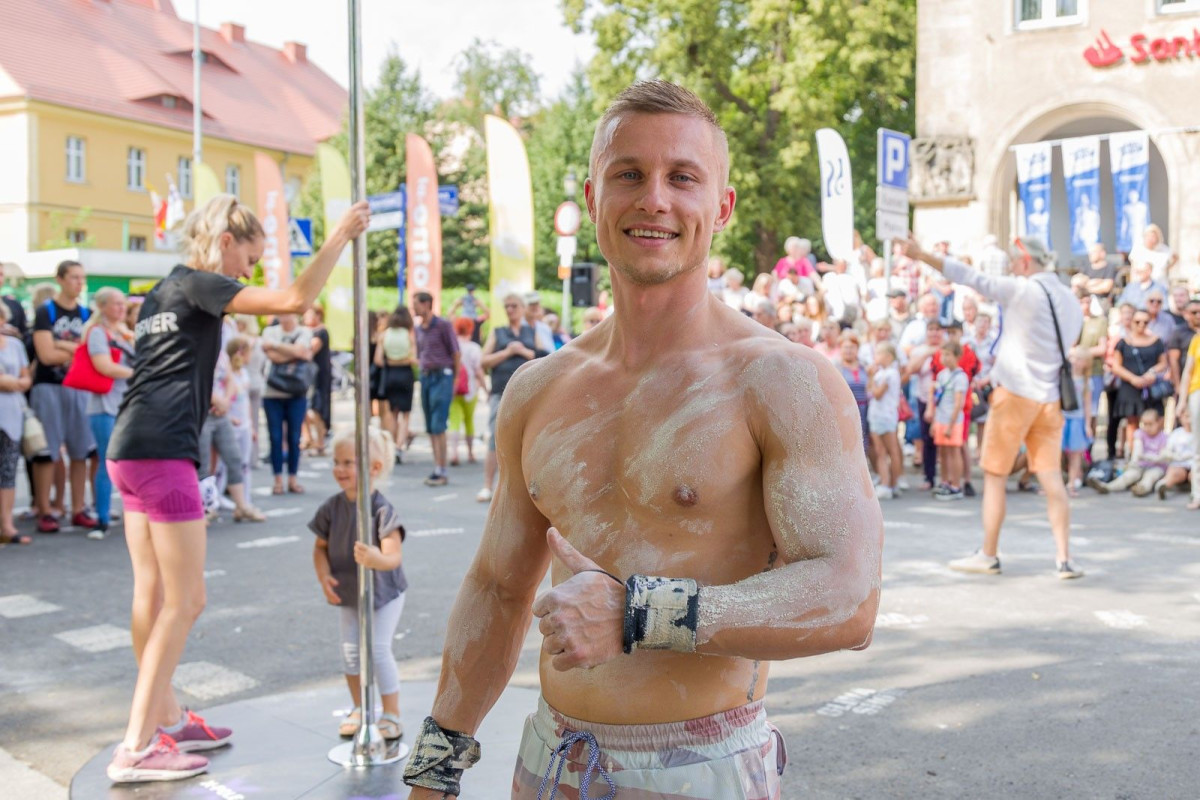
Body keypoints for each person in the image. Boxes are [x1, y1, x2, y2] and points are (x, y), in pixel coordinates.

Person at [403, 81, 881, 800]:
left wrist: (639, 614)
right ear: (594, 194)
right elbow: (498, 588)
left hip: (702, 768)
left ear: (720, 206)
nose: (654, 198)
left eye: (682, 177)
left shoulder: (783, 381)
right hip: (550, 760)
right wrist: (435, 770)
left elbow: (849, 598)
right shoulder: (537, 390)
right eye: (629, 173)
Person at [104, 194, 368, 783]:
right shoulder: (201, 283)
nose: (247, 273)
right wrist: (340, 235)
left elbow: (166, 367)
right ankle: (137, 746)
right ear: (226, 242)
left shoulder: (163, 291)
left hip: (128, 447)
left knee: (150, 595)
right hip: (164, 453)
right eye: (248, 257)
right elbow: (295, 301)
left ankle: (165, 716)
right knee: (187, 599)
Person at [899, 234, 1084, 580]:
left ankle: (989, 553)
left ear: (1026, 261)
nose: (1013, 267)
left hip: (1014, 394)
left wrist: (921, 254)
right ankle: (1064, 558)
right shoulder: (1070, 300)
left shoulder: (1023, 290)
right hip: (1050, 398)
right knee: (1051, 478)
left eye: (1015, 262)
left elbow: (968, 276)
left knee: (996, 476)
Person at [310, 426, 407, 741]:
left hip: (384, 593)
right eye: (336, 462)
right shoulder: (331, 508)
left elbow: (393, 557)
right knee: (350, 652)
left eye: (348, 462)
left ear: (373, 468)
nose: (339, 469)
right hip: (350, 592)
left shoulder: (381, 509)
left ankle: (391, 713)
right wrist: (324, 576)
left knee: (378, 649)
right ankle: (360, 708)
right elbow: (320, 549)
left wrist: (375, 557)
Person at [30, 259, 98, 533]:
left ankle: (78, 507)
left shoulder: (86, 313)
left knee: (80, 450)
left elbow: (91, 353)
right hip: (48, 387)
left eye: (82, 278)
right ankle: (46, 509)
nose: (79, 283)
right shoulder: (45, 311)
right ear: (59, 279)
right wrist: (74, 350)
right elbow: (45, 355)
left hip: (78, 388)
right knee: (47, 451)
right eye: (73, 277)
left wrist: (61, 344)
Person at [82, 288, 135, 539]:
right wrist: (138, 375)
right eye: (116, 304)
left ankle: (130, 513)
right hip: (104, 405)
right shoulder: (97, 333)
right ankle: (101, 518)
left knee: (128, 463)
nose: (121, 308)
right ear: (102, 306)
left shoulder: (124, 333)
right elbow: (104, 366)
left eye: (123, 304)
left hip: (126, 404)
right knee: (108, 461)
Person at [476, 292, 538, 503]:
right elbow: (483, 361)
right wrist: (507, 352)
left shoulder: (532, 330)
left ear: (522, 308)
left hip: (527, 394)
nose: (510, 310)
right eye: (507, 306)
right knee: (495, 438)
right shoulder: (498, 332)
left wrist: (524, 352)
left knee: (526, 441)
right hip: (500, 392)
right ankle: (487, 485)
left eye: (514, 306)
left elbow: (544, 357)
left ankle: (522, 491)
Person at [261, 313, 314, 495]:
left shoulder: (304, 332)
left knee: (294, 437)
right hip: (271, 392)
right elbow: (280, 355)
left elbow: (302, 351)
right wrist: (293, 353)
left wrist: (276, 347)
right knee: (275, 437)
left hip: (296, 392)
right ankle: (277, 480)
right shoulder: (269, 331)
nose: (285, 316)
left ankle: (293, 478)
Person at [413, 291, 460, 487]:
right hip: (426, 377)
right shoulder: (418, 329)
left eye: (416, 303)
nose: (413, 307)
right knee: (431, 427)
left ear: (426, 304)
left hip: (442, 376)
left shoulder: (443, 325)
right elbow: (419, 353)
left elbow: (456, 352)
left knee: (439, 424)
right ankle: (437, 467)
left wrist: (455, 380)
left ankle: (442, 469)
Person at [1110, 308, 1168, 459]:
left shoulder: (1156, 341)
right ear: (1132, 322)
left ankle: (1155, 456)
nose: (1141, 325)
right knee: (1132, 421)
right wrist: (1132, 379)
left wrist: (1152, 373)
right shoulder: (1124, 342)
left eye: (1145, 322)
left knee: (1156, 419)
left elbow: (1163, 363)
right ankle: (1134, 456)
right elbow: (1116, 365)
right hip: (1130, 387)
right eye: (1138, 321)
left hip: (1149, 387)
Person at [0, 302, 31, 545]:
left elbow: (25, 377)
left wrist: (12, 382)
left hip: (11, 414)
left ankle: (6, 525)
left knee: (8, 471)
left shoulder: (16, 345)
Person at [1088, 409, 1169, 496]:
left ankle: (1142, 488)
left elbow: (1163, 455)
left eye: (1150, 424)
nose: (1147, 428)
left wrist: (1150, 457)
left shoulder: (1164, 437)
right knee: (1128, 477)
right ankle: (1107, 487)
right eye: (1145, 424)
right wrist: (1135, 460)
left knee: (1150, 478)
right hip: (1140, 465)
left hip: (1156, 467)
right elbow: (1138, 449)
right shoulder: (1140, 433)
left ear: (1158, 423)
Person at [375, 305, 418, 462]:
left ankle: (392, 446)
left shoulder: (384, 334)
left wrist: (390, 360)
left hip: (390, 374)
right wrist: (403, 359)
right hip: (405, 374)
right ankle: (400, 446)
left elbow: (378, 360)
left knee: (392, 413)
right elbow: (414, 358)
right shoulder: (409, 334)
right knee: (405, 415)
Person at [927, 341, 968, 500]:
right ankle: (945, 481)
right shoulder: (941, 375)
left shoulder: (961, 377)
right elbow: (938, 400)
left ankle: (956, 485)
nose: (944, 358)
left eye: (947, 355)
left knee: (954, 452)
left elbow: (959, 403)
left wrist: (951, 425)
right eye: (942, 354)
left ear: (957, 356)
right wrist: (934, 422)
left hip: (953, 420)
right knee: (942, 452)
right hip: (941, 418)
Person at [448, 316, 486, 467]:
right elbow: (478, 371)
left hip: (453, 388)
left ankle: (454, 453)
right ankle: (470, 452)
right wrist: (485, 388)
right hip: (470, 389)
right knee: (469, 421)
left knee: (454, 421)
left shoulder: (452, 346)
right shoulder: (474, 348)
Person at [868, 341, 903, 500]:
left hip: (887, 415)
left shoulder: (891, 373)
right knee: (880, 451)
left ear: (888, 356)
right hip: (876, 414)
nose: (876, 357)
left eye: (879, 354)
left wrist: (870, 378)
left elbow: (877, 393)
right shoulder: (880, 373)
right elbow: (871, 391)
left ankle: (893, 483)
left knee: (892, 450)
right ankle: (885, 482)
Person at [234, 315, 265, 466]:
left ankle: (244, 458)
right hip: (257, 383)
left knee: (242, 423)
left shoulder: (239, 341)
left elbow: (240, 362)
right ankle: (253, 457)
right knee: (253, 422)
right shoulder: (259, 341)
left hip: (242, 383)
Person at [1061, 347, 1093, 497]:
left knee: (1075, 454)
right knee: (1055, 453)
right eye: (1073, 358)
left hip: (1077, 419)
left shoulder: (1087, 382)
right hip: (1062, 418)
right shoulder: (1062, 376)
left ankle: (1072, 484)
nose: (1075, 362)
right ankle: (1053, 485)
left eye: (1079, 359)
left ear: (1086, 363)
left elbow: (1087, 405)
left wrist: (1087, 424)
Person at [302, 304, 332, 456]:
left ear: (318, 316)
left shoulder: (321, 332)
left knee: (316, 409)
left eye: (309, 314)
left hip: (319, 376)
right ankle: (309, 439)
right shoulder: (308, 331)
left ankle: (320, 441)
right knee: (307, 409)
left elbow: (309, 351)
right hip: (308, 376)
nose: (305, 318)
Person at [834, 330, 869, 456]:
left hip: (864, 409)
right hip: (845, 410)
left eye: (852, 347)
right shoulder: (835, 367)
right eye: (845, 347)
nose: (849, 350)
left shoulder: (865, 366)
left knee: (865, 441)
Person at [1178, 323, 1200, 509]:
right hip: (1197, 392)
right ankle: (1197, 494)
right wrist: (1182, 401)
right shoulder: (1196, 339)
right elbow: (1187, 371)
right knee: (1198, 446)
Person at [1154, 423, 1193, 501]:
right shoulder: (1177, 433)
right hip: (1179, 464)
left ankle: (1196, 492)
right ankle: (1163, 485)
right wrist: (1174, 456)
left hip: (1195, 464)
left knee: (1195, 475)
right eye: (1186, 416)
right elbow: (1166, 450)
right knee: (1175, 473)